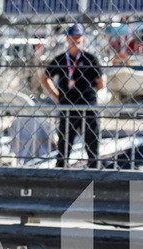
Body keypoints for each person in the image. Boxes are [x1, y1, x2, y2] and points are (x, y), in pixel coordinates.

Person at [39, 23, 104, 169]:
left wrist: (90, 96)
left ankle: (95, 178)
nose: (76, 40)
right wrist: (56, 96)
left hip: (88, 109)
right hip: (67, 108)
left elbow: (101, 83)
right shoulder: (61, 59)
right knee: (63, 149)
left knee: (92, 149)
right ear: (67, 39)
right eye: (73, 37)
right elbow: (44, 78)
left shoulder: (90, 59)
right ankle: (60, 179)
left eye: (79, 37)